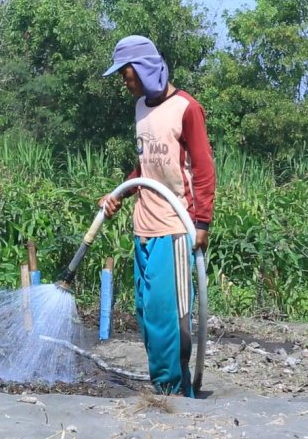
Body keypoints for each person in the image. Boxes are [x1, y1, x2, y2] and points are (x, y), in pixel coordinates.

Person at [99, 35, 215, 398]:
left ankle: (175, 392)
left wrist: (201, 222)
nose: (124, 80)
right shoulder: (140, 109)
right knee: (146, 313)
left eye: (127, 72)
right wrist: (120, 192)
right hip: (143, 226)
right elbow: (144, 167)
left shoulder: (187, 108)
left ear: (146, 68)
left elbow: (203, 168)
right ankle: (161, 384)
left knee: (169, 315)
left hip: (175, 227)